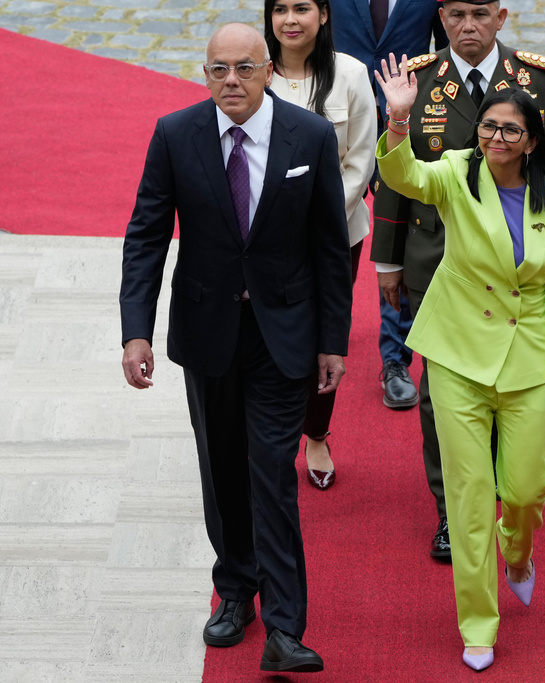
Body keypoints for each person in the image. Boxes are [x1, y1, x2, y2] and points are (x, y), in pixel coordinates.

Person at [119, 23, 352, 673]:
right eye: (218, 69)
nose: (231, 80)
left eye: (244, 68)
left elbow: (330, 246)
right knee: (222, 469)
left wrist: (333, 339)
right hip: (208, 331)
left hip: (284, 333)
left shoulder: (310, 136)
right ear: (205, 73)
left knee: (272, 472)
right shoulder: (176, 134)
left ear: (269, 71)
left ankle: (285, 625)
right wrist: (135, 329)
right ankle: (235, 589)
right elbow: (145, 235)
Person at [375, 58, 545, 670]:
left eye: (511, 130)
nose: (497, 137)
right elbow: (404, 175)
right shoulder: (455, 171)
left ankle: (516, 552)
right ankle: (478, 625)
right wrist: (398, 120)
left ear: (532, 141)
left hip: (531, 358)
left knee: (525, 489)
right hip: (458, 354)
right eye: (489, 126)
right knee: (469, 497)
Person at [265, 0, 375, 490]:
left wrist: (318, 217)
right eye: (280, 9)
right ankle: (268, 434)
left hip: (335, 234)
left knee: (325, 336)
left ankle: (315, 434)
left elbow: (361, 160)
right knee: (266, 332)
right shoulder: (255, 71)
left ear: (324, 15)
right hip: (264, 236)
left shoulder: (351, 74)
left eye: (302, 8)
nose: (290, 20)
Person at [330, 0, 451, 411]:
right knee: (332, 228)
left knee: (398, 237)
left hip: (404, 120)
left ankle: (395, 360)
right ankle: (322, 327)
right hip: (338, 118)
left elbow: (446, 47)